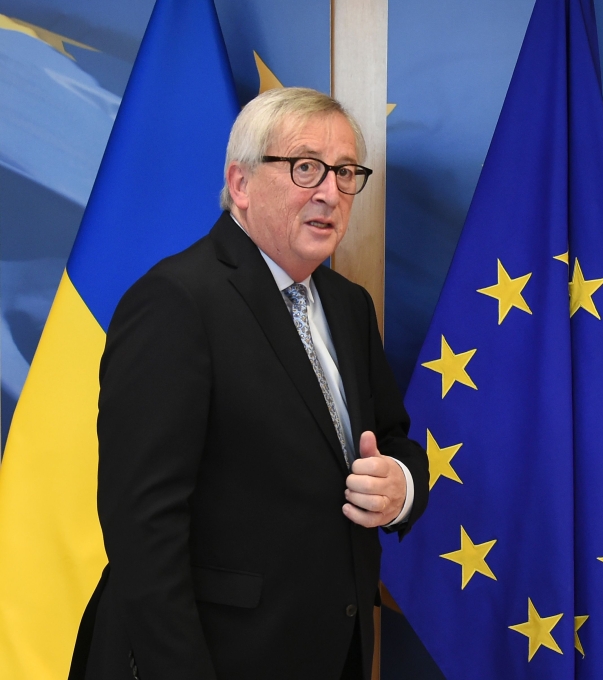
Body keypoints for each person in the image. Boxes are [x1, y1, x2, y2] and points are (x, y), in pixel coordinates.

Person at [70, 87, 429, 680]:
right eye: (306, 167)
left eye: (344, 173)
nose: (330, 192)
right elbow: (143, 528)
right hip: (210, 658)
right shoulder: (175, 301)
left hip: (331, 654)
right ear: (240, 184)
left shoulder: (348, 306)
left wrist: (401, 487)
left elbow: (393, 441)